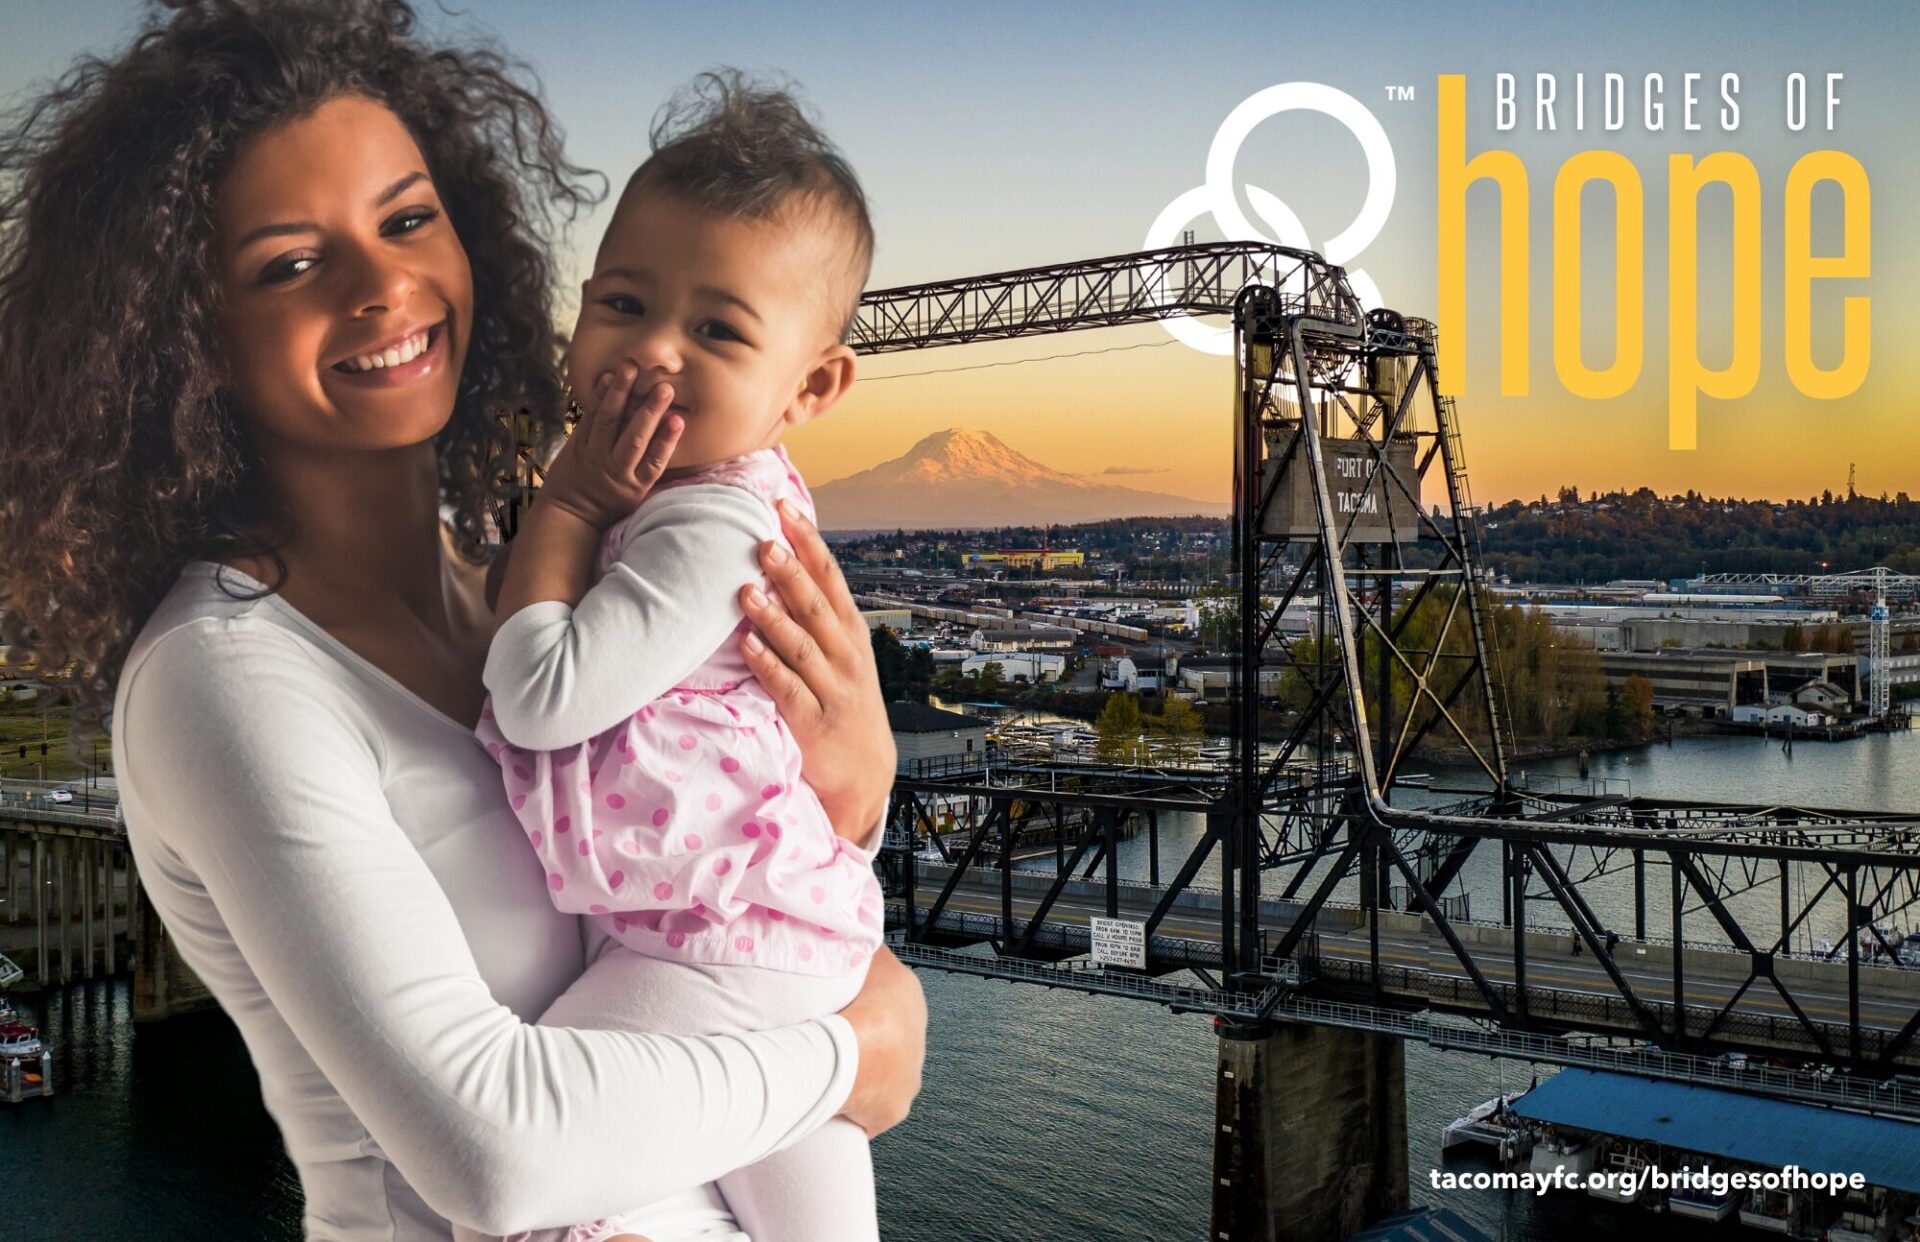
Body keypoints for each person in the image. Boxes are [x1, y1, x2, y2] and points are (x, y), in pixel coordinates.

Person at [0, 4, 925, 1240]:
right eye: (290, 261)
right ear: (187, 340)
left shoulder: (525, 584)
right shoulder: (223, 681)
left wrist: (851, 802)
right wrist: (847, 1054)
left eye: (406, 218)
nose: (385, 284)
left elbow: (689, 895)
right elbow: (492, 1155)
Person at [463, 78, 884, 1242]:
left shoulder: (710, 527)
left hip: (709, 951)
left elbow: (543, 695)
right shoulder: (698, 504)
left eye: (716, 330)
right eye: (623, 302)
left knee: (531, 1148)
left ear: (811, 386)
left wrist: (568, 500)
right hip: (751, 936)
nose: (651, 351)